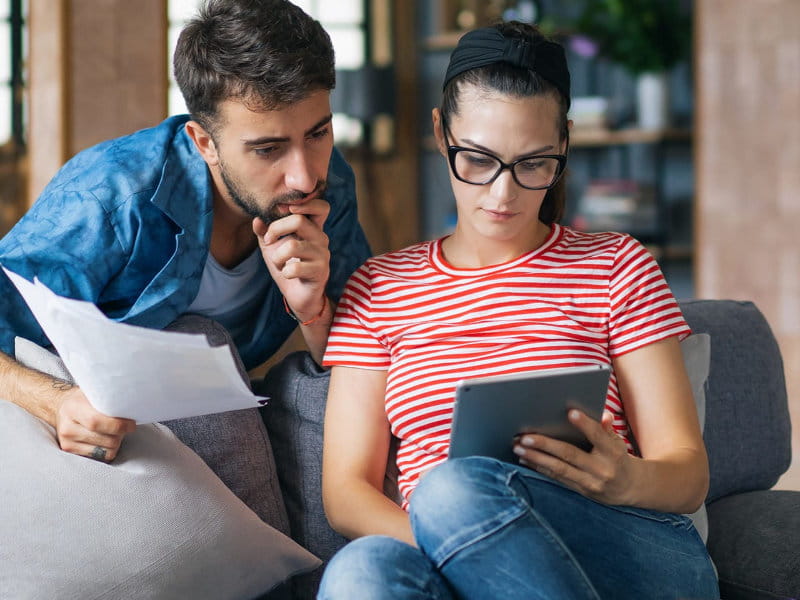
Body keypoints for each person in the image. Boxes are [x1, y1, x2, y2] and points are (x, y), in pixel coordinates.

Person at [318, 21, 719, 600]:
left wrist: (627, 479)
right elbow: (346, 494)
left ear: (564, 144)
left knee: (450, 489)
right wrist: (459, 548)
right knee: (361, 572)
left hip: (625, 545)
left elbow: (688, 475)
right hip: (455, 552)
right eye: (478, 159)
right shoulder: (379, 288)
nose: (503, 194)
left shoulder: (616, 265)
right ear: (440, 132)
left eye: (533, 164)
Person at [0, 0, 370, 463]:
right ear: (204, 143)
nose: (304, 176)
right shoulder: (113, 195)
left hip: (222, 406)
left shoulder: (329, 184)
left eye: (317, 134)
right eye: (268, 149)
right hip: (93, 425)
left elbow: (361, 354)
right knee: (198, 344)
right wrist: (55, 402)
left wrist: (312, 311)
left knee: (331, 395)